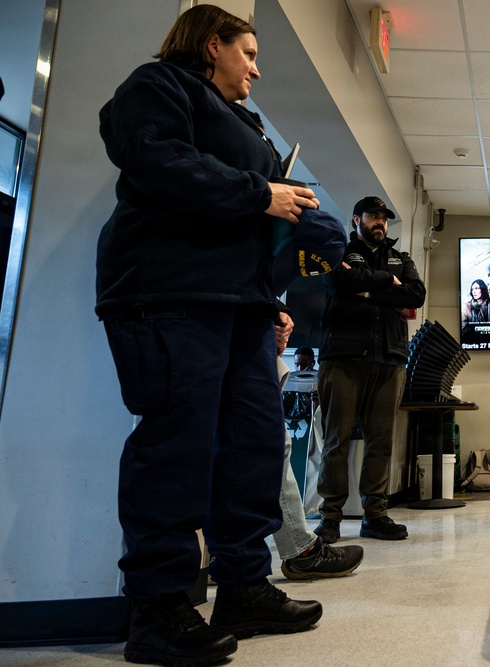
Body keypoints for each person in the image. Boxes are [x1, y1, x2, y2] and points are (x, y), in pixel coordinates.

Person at [96, 5, 326, 664]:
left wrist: (267, 296)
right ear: (212, 43)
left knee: (252, 446)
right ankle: (158, 605)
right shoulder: (159, 86)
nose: (255, 67)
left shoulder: (242, 121)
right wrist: (262, 194)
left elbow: (241, 218)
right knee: (177, 446)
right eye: (248, 52)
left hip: (239, 305)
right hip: (168, 294)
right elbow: (151, 156)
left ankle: (244, 585)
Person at [314, 196, 426, 544]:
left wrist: (366, 289)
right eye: (373, 216)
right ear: (356, 219)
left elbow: (416, 295)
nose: (380, 222)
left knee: (381, 441)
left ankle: (375, 514)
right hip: (344, 358)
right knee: (337, 441)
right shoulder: (339, 252)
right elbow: (337, 283)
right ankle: (330, 517)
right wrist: (387, 283)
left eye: (384, 218)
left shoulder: (402, 258)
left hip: (390, 359)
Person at [274, 313, 364, 579]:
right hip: (233, 339)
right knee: (272, 448)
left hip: (227, 336)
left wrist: (275, 314)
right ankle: (300, 550)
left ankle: (225, 558)